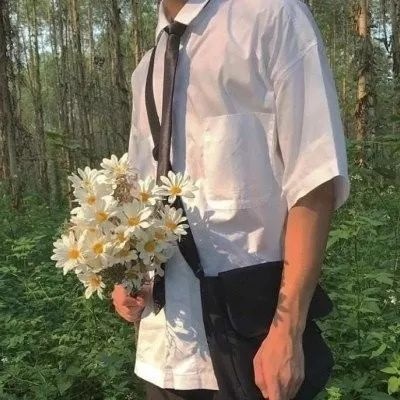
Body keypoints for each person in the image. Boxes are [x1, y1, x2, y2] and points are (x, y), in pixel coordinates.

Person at [112, 0, 351, 399]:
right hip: (166, 351)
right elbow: (143, 197)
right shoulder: (147, 70)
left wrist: (287, 332)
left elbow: (314, 178)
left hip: (256, 348)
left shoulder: (271, 17)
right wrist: (133, 277)